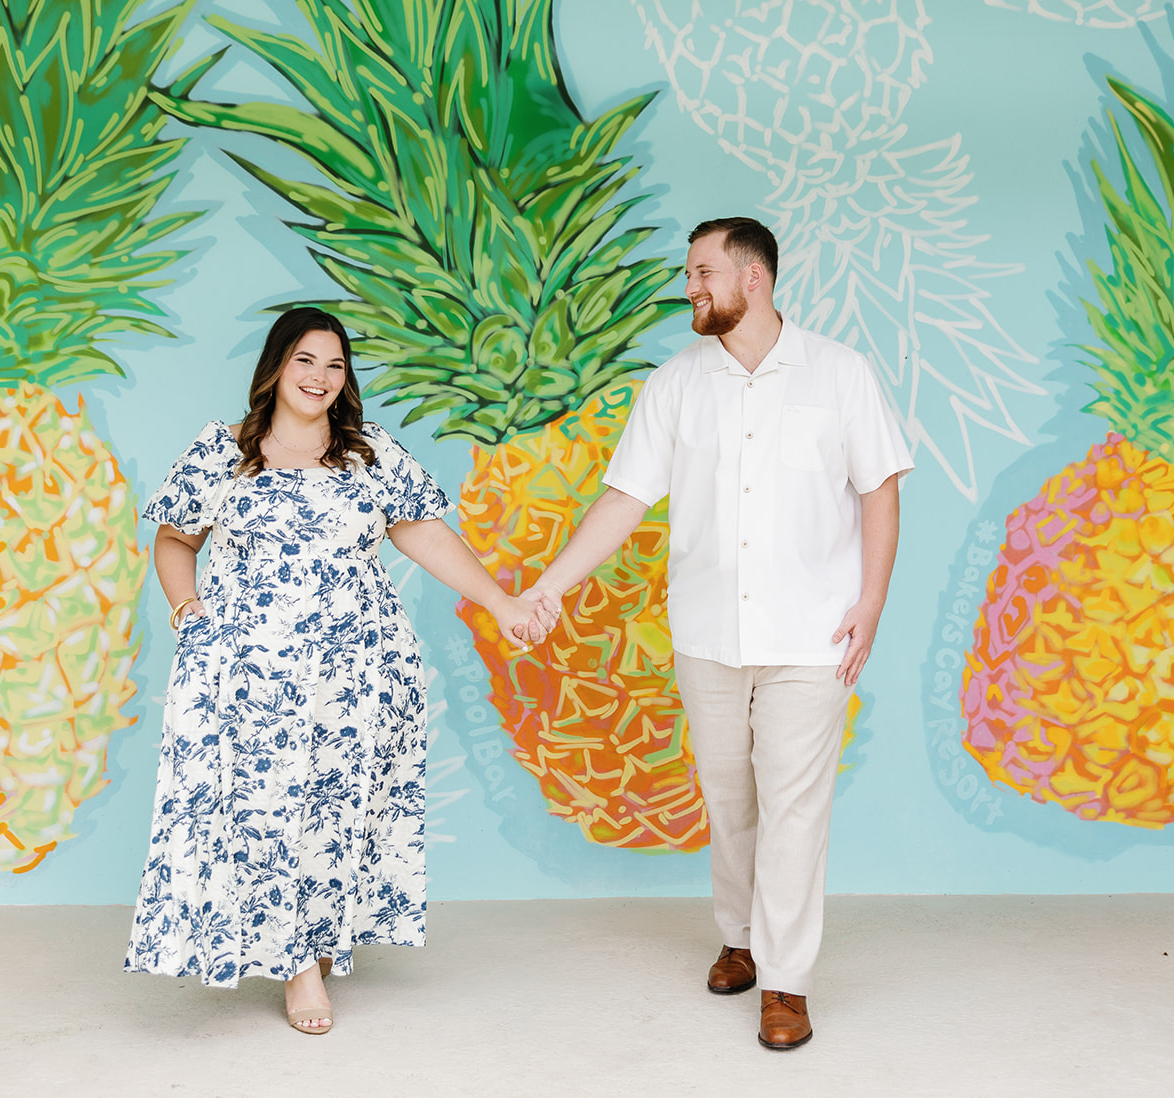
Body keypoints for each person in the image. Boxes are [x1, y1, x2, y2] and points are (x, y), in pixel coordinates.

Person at [522, 217, 913, 1050]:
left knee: (796, 809)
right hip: (705, 633)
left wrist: (872, 599)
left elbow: (880, 490)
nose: (690, 287)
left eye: (703, 273)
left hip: (815, 636)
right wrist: (549, 585)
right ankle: (738, 937)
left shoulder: (840, 375)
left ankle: (786, 983)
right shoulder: (675, 384)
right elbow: (625, 499)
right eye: (690, 274)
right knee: (730, 801)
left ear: (754, 278)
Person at [125, 307, 546, 1034]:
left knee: (334, 809)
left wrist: (502, 601)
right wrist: (186, 607)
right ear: (275, 369)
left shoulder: (368, 454)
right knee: (267, 809)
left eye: (335, 365)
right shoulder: (221, 452)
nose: (320, 378)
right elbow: (173, 540)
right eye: (305, 361)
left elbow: (426, 537)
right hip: (251, 672)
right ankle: (297, 972)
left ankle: (311, 942)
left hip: (357, 667)